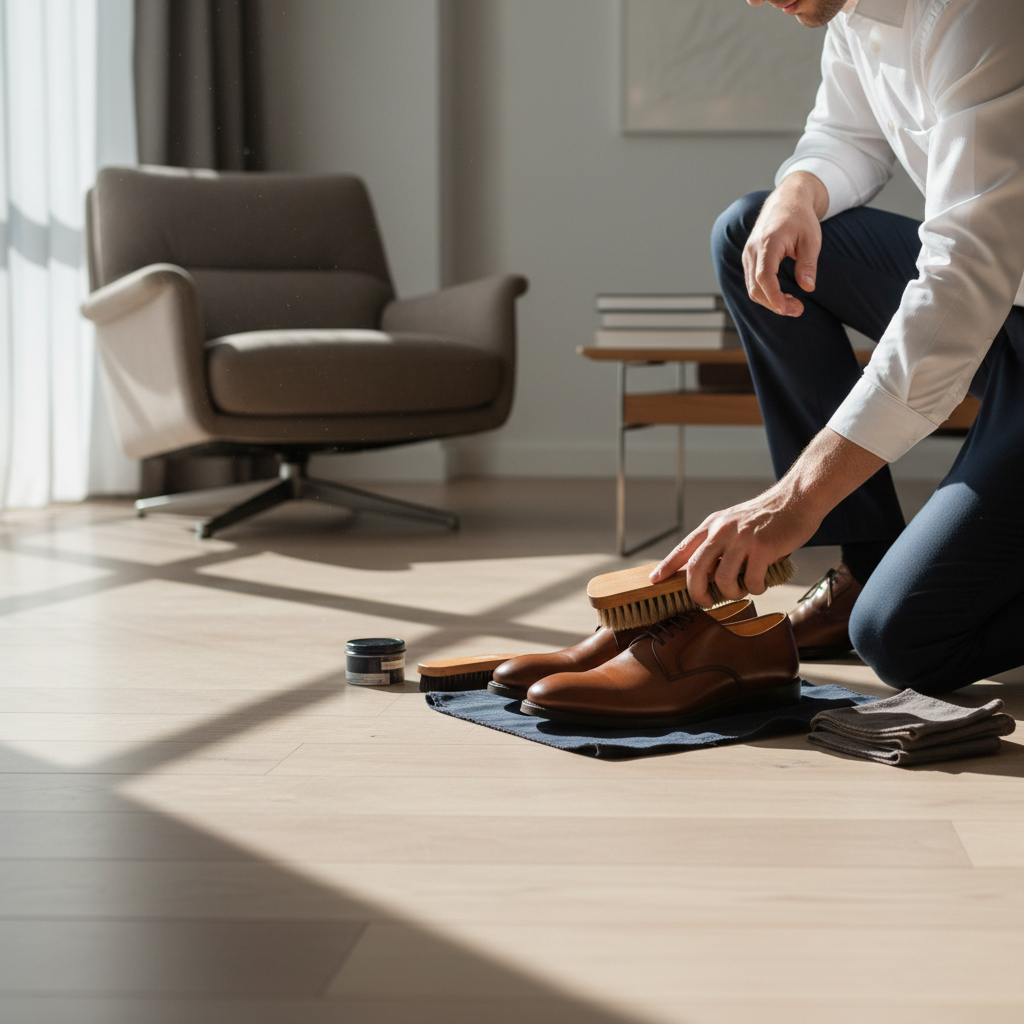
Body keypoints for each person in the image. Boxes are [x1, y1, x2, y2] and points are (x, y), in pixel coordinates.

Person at [651, 0, 1024, 694]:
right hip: (1008, 312)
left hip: (988, 293)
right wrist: (799, 189)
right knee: (749, 236)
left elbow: (963, 277)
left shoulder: (979, 11)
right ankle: (867, 558)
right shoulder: (856, 13)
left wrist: (798, 498)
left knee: (904, 639)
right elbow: (844, 134)